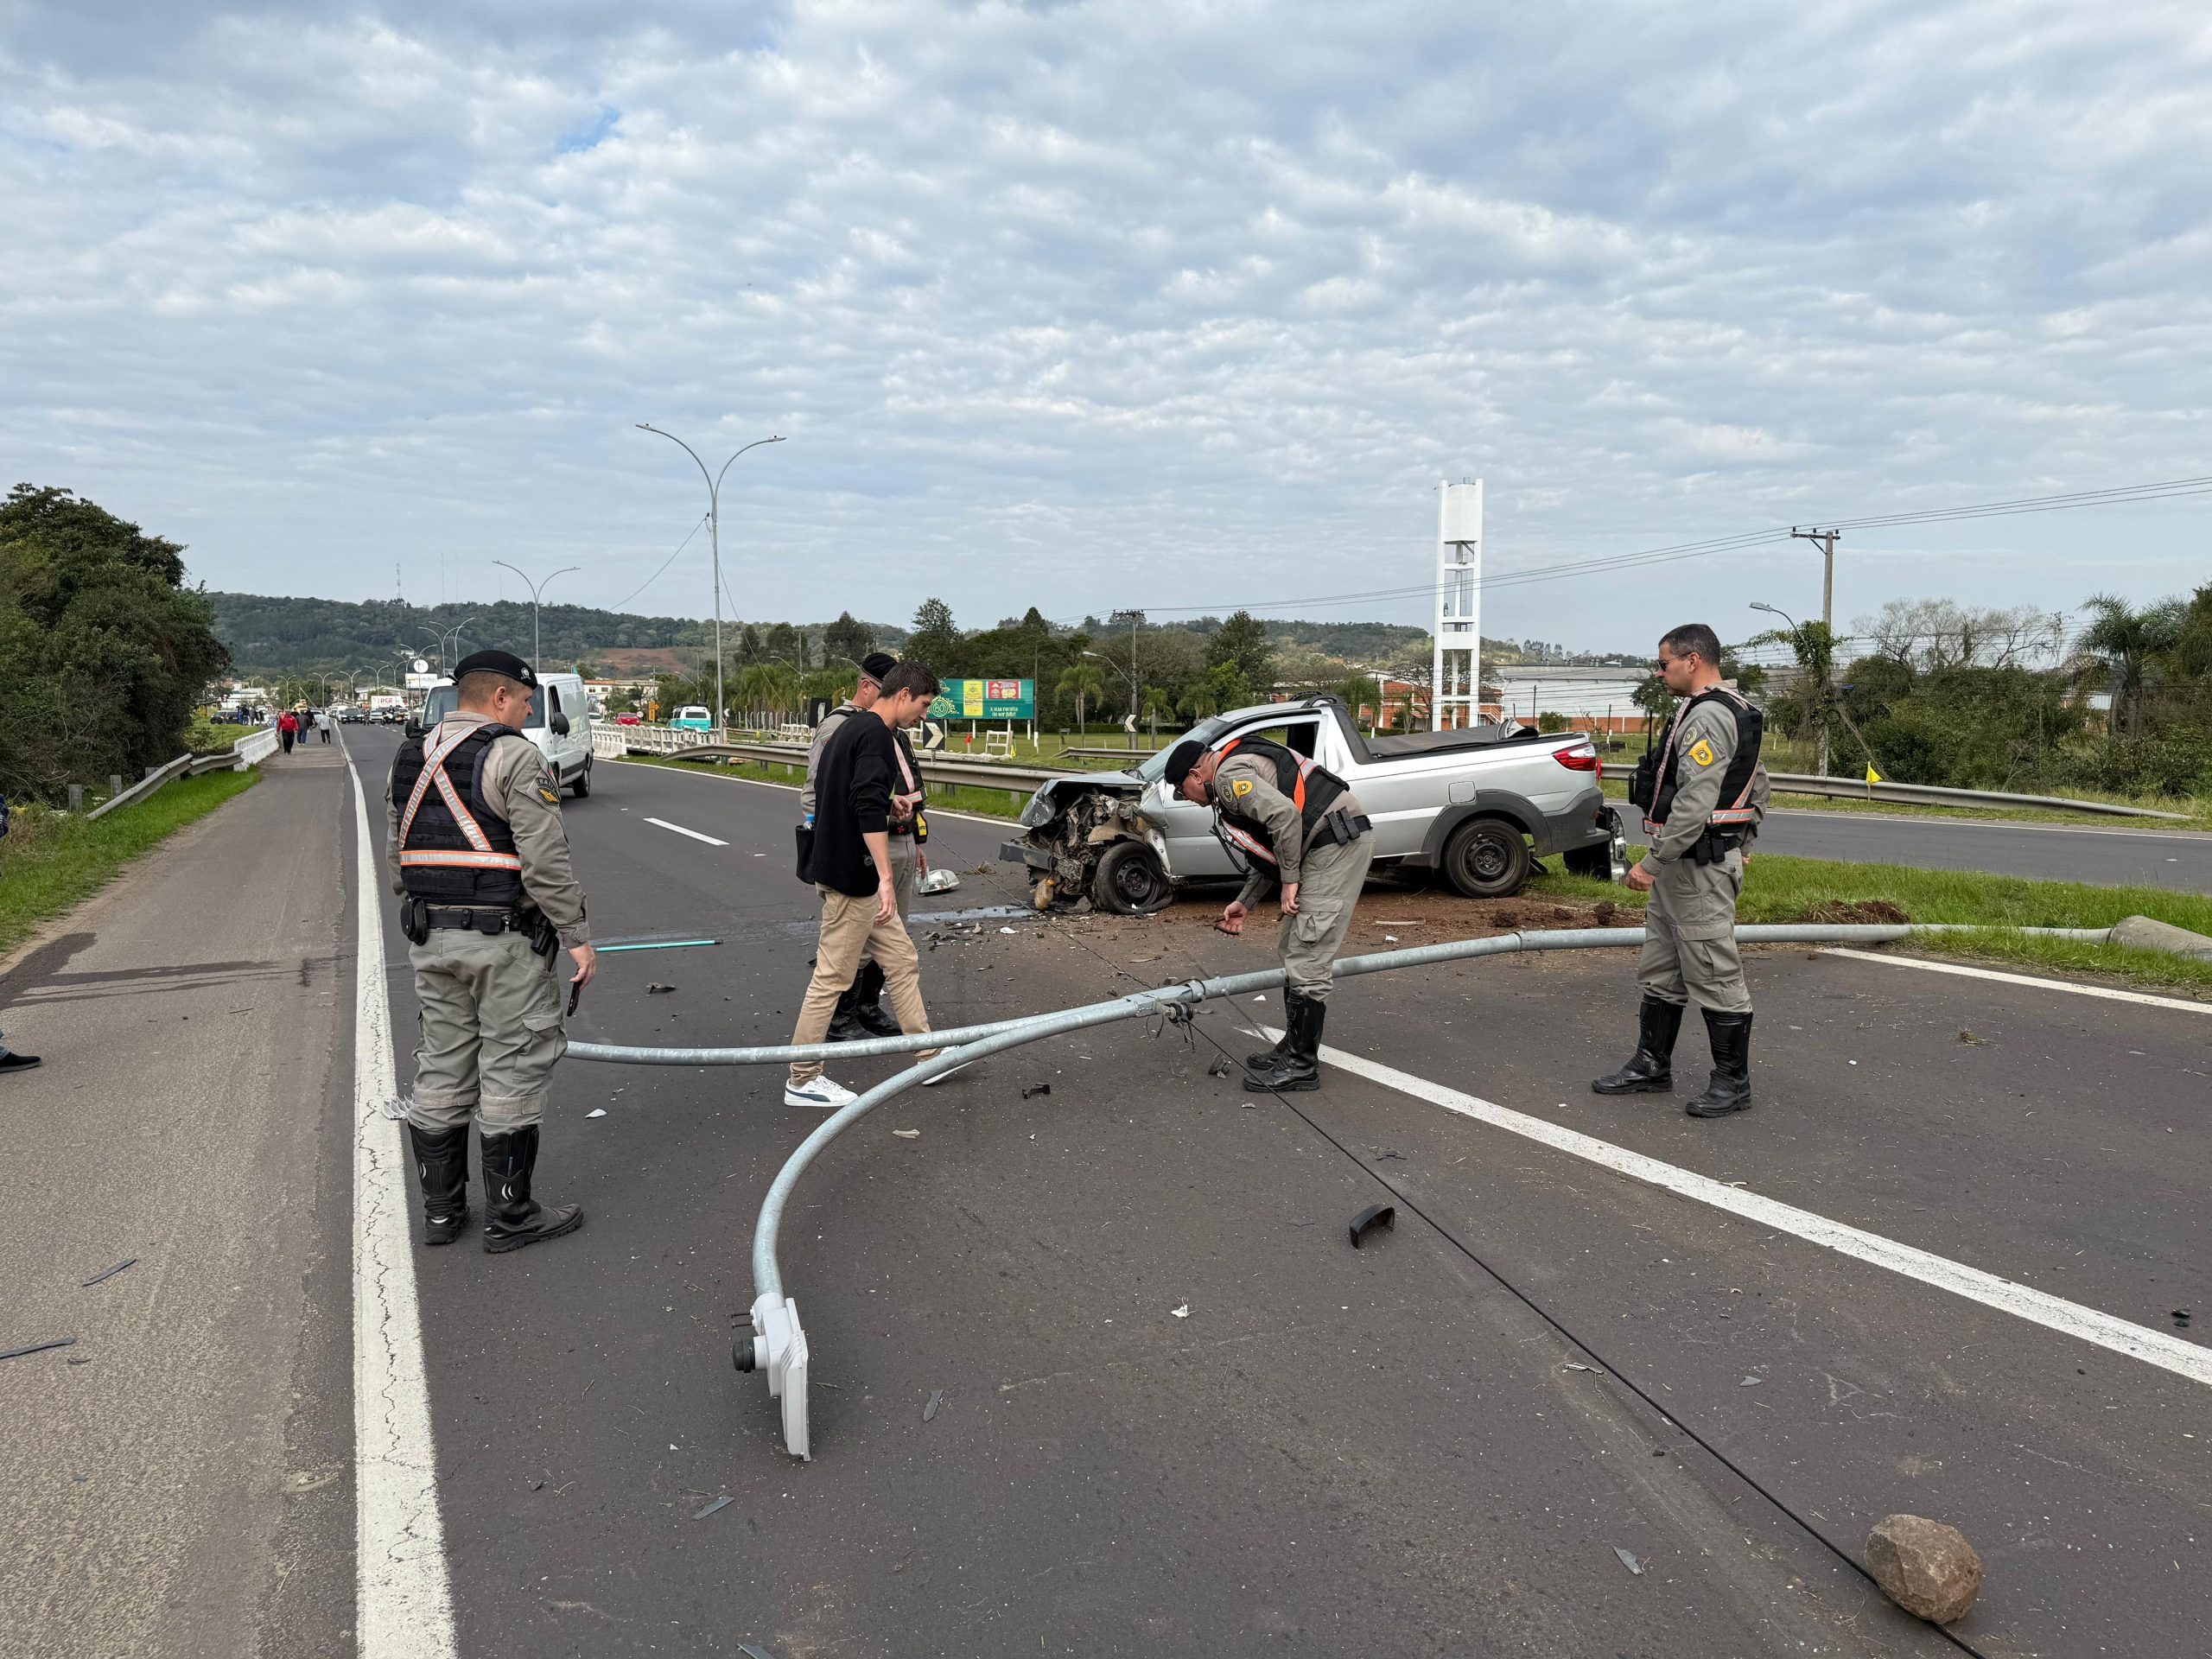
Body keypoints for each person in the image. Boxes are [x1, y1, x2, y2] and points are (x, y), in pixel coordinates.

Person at [386, 649, 596, 1250]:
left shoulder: (411, 755)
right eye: (526, 701)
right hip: (503, 941)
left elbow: (398, 852)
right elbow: (546, 863)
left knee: (443, 1064)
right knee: (512, 1067)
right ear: (500, 697)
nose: (530, 711)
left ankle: (442, 1215)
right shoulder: (514, 756)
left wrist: (426, 901)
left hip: (431, 937)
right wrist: (577, 939)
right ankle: (511, 1217)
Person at [1592, 622, 1770, 1117]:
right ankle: (1652, 1065)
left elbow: (1694, 800)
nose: (1659, 671)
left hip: (1695, 865)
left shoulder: (1709, 716)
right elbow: (1759, 786)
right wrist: (1746, 840)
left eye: (1664, 662)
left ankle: (1732, 1083)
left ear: (1693, 660)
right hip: (1691, 863)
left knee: (1714, 972)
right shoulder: (1732, 709)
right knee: (1663, 969)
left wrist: (1652, 862)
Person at [784, 663, 957, 1108]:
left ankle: (927, 1055)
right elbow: (860, 807)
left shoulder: (852, 727)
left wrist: (889, 801)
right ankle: (802, 1078)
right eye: (922, 706)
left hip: (842, 868)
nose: (923, 717)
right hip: (853, 876)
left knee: (901, 960)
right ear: (903, 695)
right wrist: (884, 878)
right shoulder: (878, 735)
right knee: (832, 978)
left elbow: (844, 794)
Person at [1163, 729, 1375, 1092]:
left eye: (1184, 791)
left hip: (1334, 846)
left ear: (1197, 775)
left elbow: (1286, 818)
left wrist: (1290, 881)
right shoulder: (1232, 767)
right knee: (1293, 947)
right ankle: (1293, 1048)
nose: (1188, 799)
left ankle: (1301, 1065)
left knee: (1308, 952)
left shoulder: (1229, 778)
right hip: (1326, 844)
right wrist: (1245, 902)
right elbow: (1273, 848)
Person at [801, 652, 906, 1042]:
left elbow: (872, 786)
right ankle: (818, 1049)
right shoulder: (843, 726)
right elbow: (821, 790)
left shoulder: (888, 728)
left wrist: (890, 804)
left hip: (888, 840)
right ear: (869, 687)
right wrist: (831, 843)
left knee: (898, 955)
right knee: (842, 961)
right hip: (854, 853)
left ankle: (872, 1011)